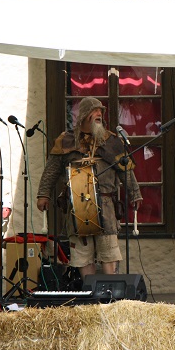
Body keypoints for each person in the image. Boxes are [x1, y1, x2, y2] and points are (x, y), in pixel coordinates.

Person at [36, 97, 142, 279]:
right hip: (77, 207)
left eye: (101, 111)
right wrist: (43, 194)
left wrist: (135, 193)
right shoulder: (66, 140)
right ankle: (89, 290)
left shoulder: (112, 141)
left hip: (106, 206)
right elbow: (51, 170)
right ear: (85, 115)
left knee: (108, 251)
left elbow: (126, 170)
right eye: (95, 111)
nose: (99, 114)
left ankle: (111, 290)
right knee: (82, 256)